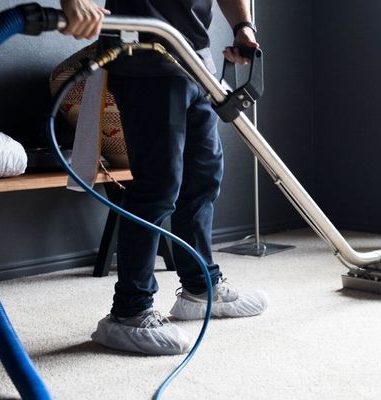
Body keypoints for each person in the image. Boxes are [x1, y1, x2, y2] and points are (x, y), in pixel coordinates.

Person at [60, 0, 268, 356]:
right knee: (158, 185)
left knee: (203, 176)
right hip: (144, 56)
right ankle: (129, 312)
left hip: (195, 61)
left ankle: (200, 289)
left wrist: (242, 27)